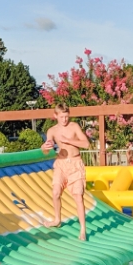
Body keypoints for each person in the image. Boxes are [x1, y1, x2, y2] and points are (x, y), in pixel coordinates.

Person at [41, 103, 91, 240]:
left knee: (78, 195)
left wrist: (69, 140)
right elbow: (46, 151)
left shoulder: (74, 126)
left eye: (66, 116)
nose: (64, 120)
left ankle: (82, 229)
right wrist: (44, 147)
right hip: (61, 164)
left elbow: (86, 144)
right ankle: (57, 219)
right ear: (55, 116)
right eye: (62, 117)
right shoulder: (52, 131)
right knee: (55, 192)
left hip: (75, 163)